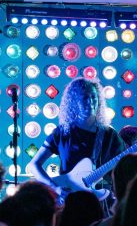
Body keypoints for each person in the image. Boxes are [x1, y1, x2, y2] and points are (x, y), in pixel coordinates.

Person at [27, 77, 126, 206]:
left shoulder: (109, 134)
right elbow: (34, 165)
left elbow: (123, 167)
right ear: (73, 102)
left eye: (93, 97)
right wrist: (55, 188)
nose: (90, 102)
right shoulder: (62, 133)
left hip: (99, 203)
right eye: (84, 98)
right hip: (69, 203)